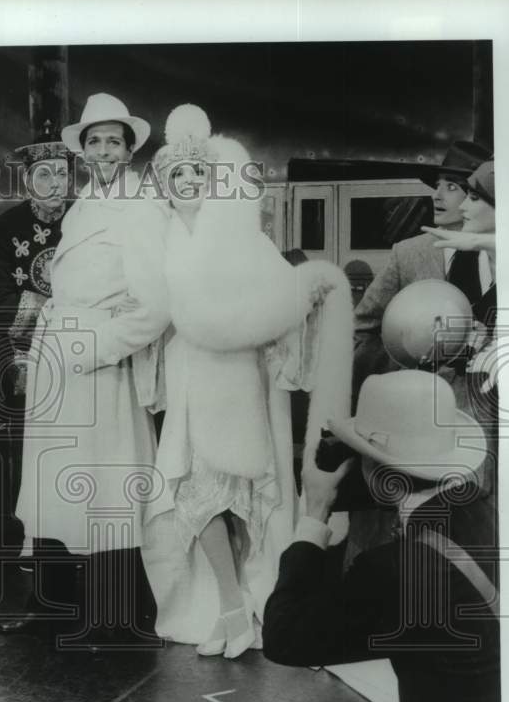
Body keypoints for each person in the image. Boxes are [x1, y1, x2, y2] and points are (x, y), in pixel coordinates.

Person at [139, 105, 353, 658]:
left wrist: (307, 294)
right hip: (186, 375)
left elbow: (279, 302)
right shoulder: (159, 240)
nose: (187, 183)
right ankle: (228, 606)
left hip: (237, 378)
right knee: (193, 492)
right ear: (163, 184)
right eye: (176, 175)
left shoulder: (242, 238)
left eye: (196, 174)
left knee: (242, 493)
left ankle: (248, 606)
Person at [1, 93, 169, 649]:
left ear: (129, 148)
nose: (103, 150)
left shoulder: (143, 209)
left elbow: (154, 306)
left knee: (106, 487)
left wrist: (95, 347)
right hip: (58, 361)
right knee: (52, 485)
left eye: (113, 141)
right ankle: (50, 605)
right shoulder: (83, 206)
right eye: (93, 141)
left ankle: (113, 616)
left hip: (99, 365)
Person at [263, 370, 500, 702]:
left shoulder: (394, 569)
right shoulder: (486, 510)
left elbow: (284, 638)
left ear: (374, 468)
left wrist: (315, 514)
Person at [348, 140, 492, 567]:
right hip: (421, 417)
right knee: (412, 526)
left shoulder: (503, 254)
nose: (439, 195)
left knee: (480, 523)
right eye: (440, 186)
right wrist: (403, 369)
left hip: (489, 415)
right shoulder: (409, 254)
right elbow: (364, 328)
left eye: (454, 187)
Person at [0, 125, 71, 551]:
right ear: (27, 179)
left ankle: (75, 534)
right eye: (45, 175)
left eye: (62, 173)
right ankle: (29, 536)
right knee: (24, 448)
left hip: (81, 351)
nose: (56, 183)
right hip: (24, 354)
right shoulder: (4, 227)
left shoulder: (84, 219)